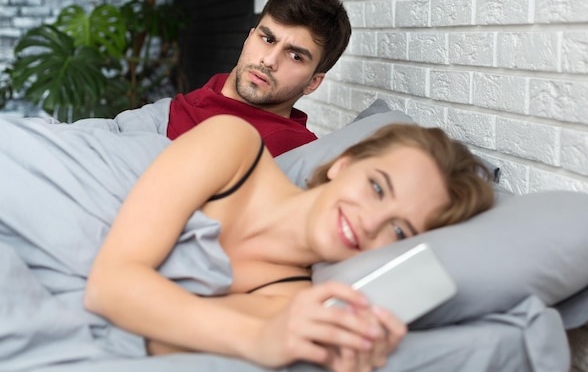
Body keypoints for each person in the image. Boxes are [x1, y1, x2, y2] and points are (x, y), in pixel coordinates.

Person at [79, 115, 495, 372]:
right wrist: (257, 340)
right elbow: (109, 286)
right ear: (343, 163)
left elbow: (159, 339)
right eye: (376, 187)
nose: (370, 223)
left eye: (400, 231)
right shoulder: (234, 144)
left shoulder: (289, 303)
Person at [166, 0, 352, 156]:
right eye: (268, 39)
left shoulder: (296, 152)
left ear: (313, 82)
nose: (270, 60)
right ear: (249, 38)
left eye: (295, 56)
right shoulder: (211, 89)